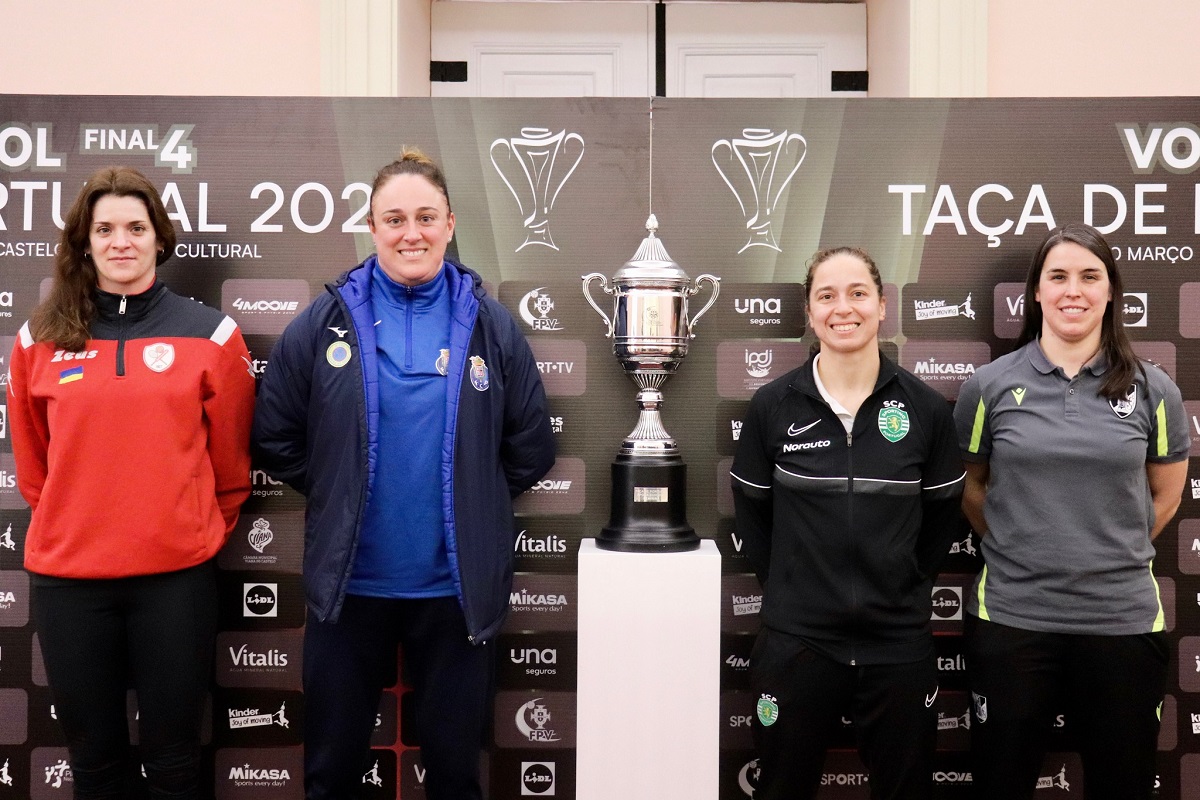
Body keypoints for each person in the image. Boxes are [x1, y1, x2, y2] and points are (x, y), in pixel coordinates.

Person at [252, 147, 556, 800]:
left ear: (450, 223)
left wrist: (470, 498)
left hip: (454, 592)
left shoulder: (491, 327)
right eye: (394, 219)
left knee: (453, 775)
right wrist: (342, 488)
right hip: (349, 587)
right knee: (330, 774)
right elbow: (274, 436)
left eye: (424, 217)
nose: (410, 233)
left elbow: (530, 449)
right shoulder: (324, 319)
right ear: (371, 225)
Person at [7, 166, 255, 798]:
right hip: (69, 583)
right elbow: (35, 466)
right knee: (94, 764)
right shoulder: (39, 338)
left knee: (174, 765)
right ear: (84, 242)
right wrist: (81, 519)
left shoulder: (212, 335)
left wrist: (184, 533)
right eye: (106, 228)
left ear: (158, 238)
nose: (121, 241)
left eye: (135, 227)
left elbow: (229, 467)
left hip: (174, 584)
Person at [954, 223, 1189, 800]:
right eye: (1057, 276)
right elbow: (971, 487)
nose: (1073, 291)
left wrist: (1108, 549)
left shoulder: (1154, 390)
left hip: (1121, 625)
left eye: (1090, 277)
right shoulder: (988, 387)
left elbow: (1165, 496)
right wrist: (1021, 544)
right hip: (1013, 620)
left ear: (1111, 293)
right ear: (1036, 291)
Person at [731, 247, 966, 800]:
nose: (844, 307)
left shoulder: (926, 410)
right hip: (798, 644)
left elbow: (939, 523)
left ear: (883, 306)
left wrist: (898, 585)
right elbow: (754, 519)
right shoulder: (772, 406)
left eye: (858, 293)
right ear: (809, 314)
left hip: (897, 644)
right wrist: (795, 593)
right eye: (827, 295)